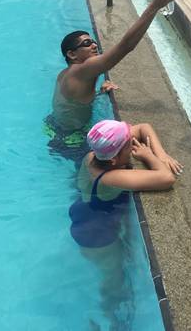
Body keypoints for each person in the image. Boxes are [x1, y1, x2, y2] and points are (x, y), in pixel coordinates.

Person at [69, 119, 181, 328]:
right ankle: (109, 320)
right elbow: (166, 178)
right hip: (96, 237)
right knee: (114, 281)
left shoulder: (93, 154)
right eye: (128, 143)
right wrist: (150, 157)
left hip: (85, 214)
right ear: (114, 160)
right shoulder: (111, 177)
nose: (132, 142)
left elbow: (144, 126)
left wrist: (162, 153)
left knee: (114, 273)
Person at [46, 0, 174, 158]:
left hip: (53, 127)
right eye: (86, 43)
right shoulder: (82, 70)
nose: (94, 45)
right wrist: (154, 7)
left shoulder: (66, 74)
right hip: (72, 139)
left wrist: (98, 93)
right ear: (71, 54)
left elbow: (73, 103)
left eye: (92, 41)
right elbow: (126, 46)